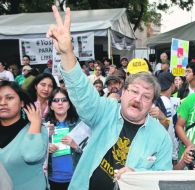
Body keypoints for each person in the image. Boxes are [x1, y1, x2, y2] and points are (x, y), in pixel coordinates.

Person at [47, 6, 173, 190]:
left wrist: (138, 176)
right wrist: (67, 53)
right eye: (134, 91)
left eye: (146, 96)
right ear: (123, 91)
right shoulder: (105, 111)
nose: (138, 99)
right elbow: (82, 91)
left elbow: (163, 179)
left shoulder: (161, 138)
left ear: (153, 103)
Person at [0, 81, 48, 190]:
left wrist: (36, 123)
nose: (3, 103)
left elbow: (32, 155)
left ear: (22, 103)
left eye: (9, 98)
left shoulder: (38, 129)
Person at [45, 88, 91, 190]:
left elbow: (90, 152)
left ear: (69, 104)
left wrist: (75, 146)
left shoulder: (80, 124)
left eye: (64, 100)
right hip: (51, 179)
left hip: (76, 178)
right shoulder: (44, 126)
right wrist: (45, 147)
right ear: (51, 106)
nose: (60, 103)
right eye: (56, 100)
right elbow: (34, 153)